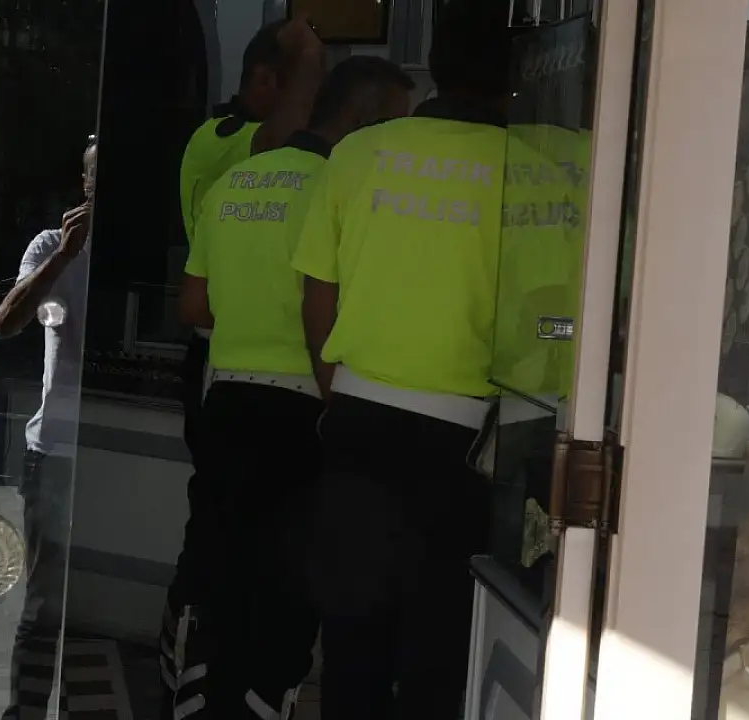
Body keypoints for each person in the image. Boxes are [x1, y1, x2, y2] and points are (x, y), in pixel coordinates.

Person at [290, 1, 514, 717]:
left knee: (353, 642)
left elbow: (317, 296)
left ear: (435, 67)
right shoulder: (537, 171)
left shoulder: (359, 155)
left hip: (360, 420)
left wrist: (336, 393)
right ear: (516, 78)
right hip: (470, 442)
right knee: (439, 654)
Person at [177, 56, 415, 719]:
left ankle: (201, 701)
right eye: (396, 125)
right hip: (303, 407)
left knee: (223, 572)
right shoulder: (347, 187)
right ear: (364, 120)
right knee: (288, 584)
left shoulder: (236, 180)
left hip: (225, 401)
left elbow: (192, 306)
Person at [163, 14, 325, 717]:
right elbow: (283, 137)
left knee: (225, 532)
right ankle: (206, 677)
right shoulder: (222, 140)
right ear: (264, 82)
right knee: (233, 541)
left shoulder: (244, 163)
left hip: (228, 371)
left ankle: (204, 681)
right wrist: (310, 60)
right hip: (230, 364)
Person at [0, 138, 96, 720]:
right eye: (94, 176)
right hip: (55, 451)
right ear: (83, 184)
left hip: (108, 451)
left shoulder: (139, 250)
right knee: (43, 604)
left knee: (97, 605)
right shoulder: (52, 244)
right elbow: (7, 320)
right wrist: (64, 257)